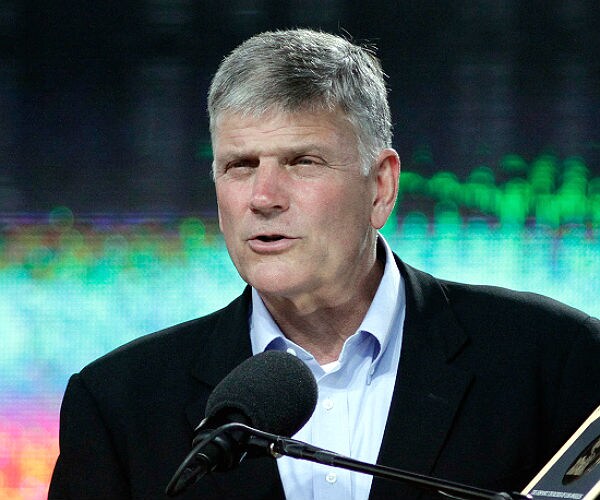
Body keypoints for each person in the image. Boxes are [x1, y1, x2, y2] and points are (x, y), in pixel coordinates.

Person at [48, 29, 600, 500]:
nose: (263, 197)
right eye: (240, 166)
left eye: (302, 161)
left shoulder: (559, 361)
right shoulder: (119, 404)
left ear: (380, 187)